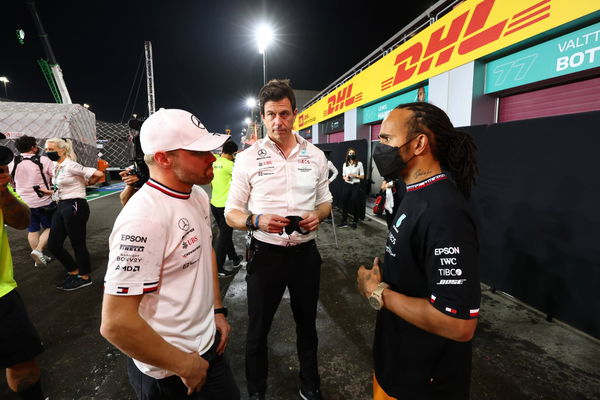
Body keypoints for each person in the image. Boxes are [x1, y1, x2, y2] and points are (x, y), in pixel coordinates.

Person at [100, 108, 239, 400]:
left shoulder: (197, 195)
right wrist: (185, 365)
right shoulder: (144, 218)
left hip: (207, 348)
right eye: (199, 153)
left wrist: (217, 311)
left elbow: (206, 257)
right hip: (168, 372)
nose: (212, 158)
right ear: (163, 158)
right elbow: (116, 323)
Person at [356, 102, 480, 400]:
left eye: (386, 138)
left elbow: (458, 323)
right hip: (397, 367)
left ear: (419, 143)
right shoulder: (413, 193)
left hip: (423, 383)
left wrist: (377, 291)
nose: (379, 146)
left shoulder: (443, 211)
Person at [225, 79, 332, 400]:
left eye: (284, 114)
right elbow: (231, 213)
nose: (278, 122)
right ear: (262, 116)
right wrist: (255, 220)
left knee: (307, 327)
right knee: (257, 331)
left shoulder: (315, 155)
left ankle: (310, 385)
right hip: (265, 256)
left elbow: (326, 200)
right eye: (271, 114)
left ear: (295, 114)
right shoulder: (246, 158)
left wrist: (319, 215)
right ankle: (256, 392)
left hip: (305, 255)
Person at [0, 139, 47, 400]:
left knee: (23, 366)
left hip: (2, 293)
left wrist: (3, 190)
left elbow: (21, 221)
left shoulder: (2, 189)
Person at [44, 138, 104, 291]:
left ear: (62, 150)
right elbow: (60, 187)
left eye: (51, 149)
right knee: (53, 244)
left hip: (75, 205)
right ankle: (73, 271)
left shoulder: (71, 165)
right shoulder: (57, 167)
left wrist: (89, 183)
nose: (47, 152)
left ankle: (84, 276)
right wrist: (47, 192)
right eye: (46, 149)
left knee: (77, 243)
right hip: (61, 205)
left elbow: (98, 173)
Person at [10, 135, 54, 267]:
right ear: (33, 147)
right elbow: (55, 177)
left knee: (33, 230)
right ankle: (39, 251)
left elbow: (11, 182)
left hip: (23, 202)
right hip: (44, 201)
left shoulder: (12, 162)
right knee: (50, 227)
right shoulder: (44, 160)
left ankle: (38, 257)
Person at [210, 140, 244, 277]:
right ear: (233, 153)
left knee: (225, 235)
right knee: (223, 238)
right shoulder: (231, 166)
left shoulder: (214, 162)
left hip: (214, 204)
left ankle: (234, 259)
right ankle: (217, 268)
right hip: (226, 207)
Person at [338, 147, 364, 229]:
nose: (351, 154)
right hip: (347, 184)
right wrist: (345, 178)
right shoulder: (344, 164)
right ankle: (344, 221)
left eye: (353, 153)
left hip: (356, 185)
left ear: (355, 154)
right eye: (350, 153)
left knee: (355, 201)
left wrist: (354, 175)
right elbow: (343, 176)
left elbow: (362, 176)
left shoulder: (359, 164)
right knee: (344, 201)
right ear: (347, 155)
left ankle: (355, 221)